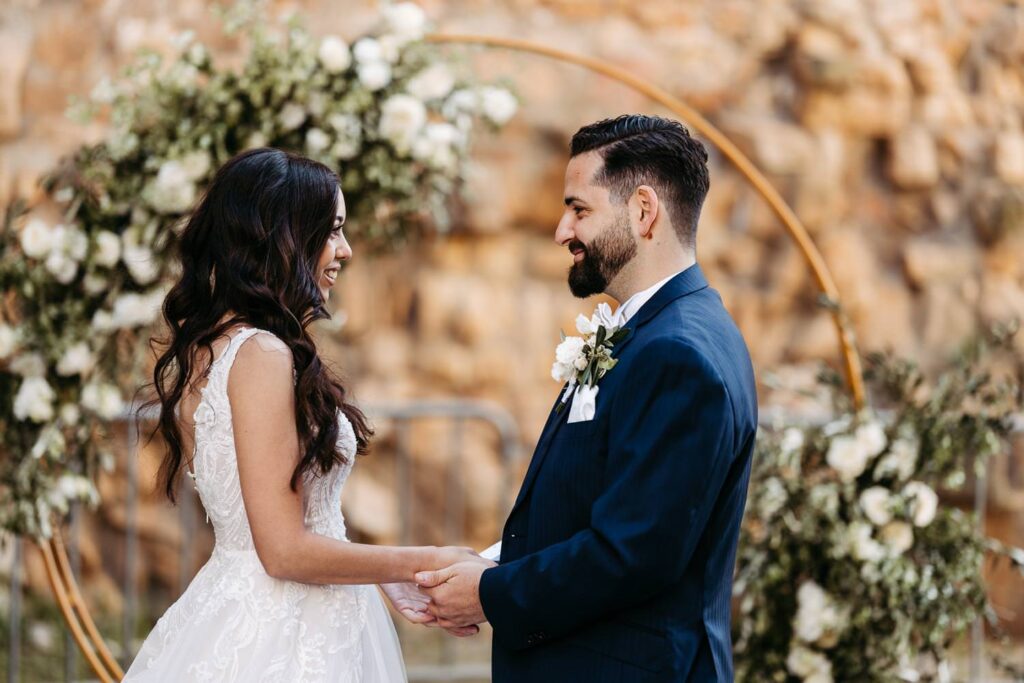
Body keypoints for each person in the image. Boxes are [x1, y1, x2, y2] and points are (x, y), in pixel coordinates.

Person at [417, 115, 759, 682]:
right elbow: (597, 502)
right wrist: (489, 563)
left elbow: (632, 554)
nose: (561, 231)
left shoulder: (680, 355)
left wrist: (489, 593)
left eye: (579, 209)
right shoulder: (656, 333)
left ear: (643, 211)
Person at [123, 147, 482, 682]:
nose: (347, 249)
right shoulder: (261, 355)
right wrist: (420, 559)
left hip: (276, 608)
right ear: (284, 235)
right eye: (332, 229)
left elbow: (292, 524)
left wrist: (376, 576)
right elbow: (283, 551)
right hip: (281, 632)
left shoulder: (217, 346)